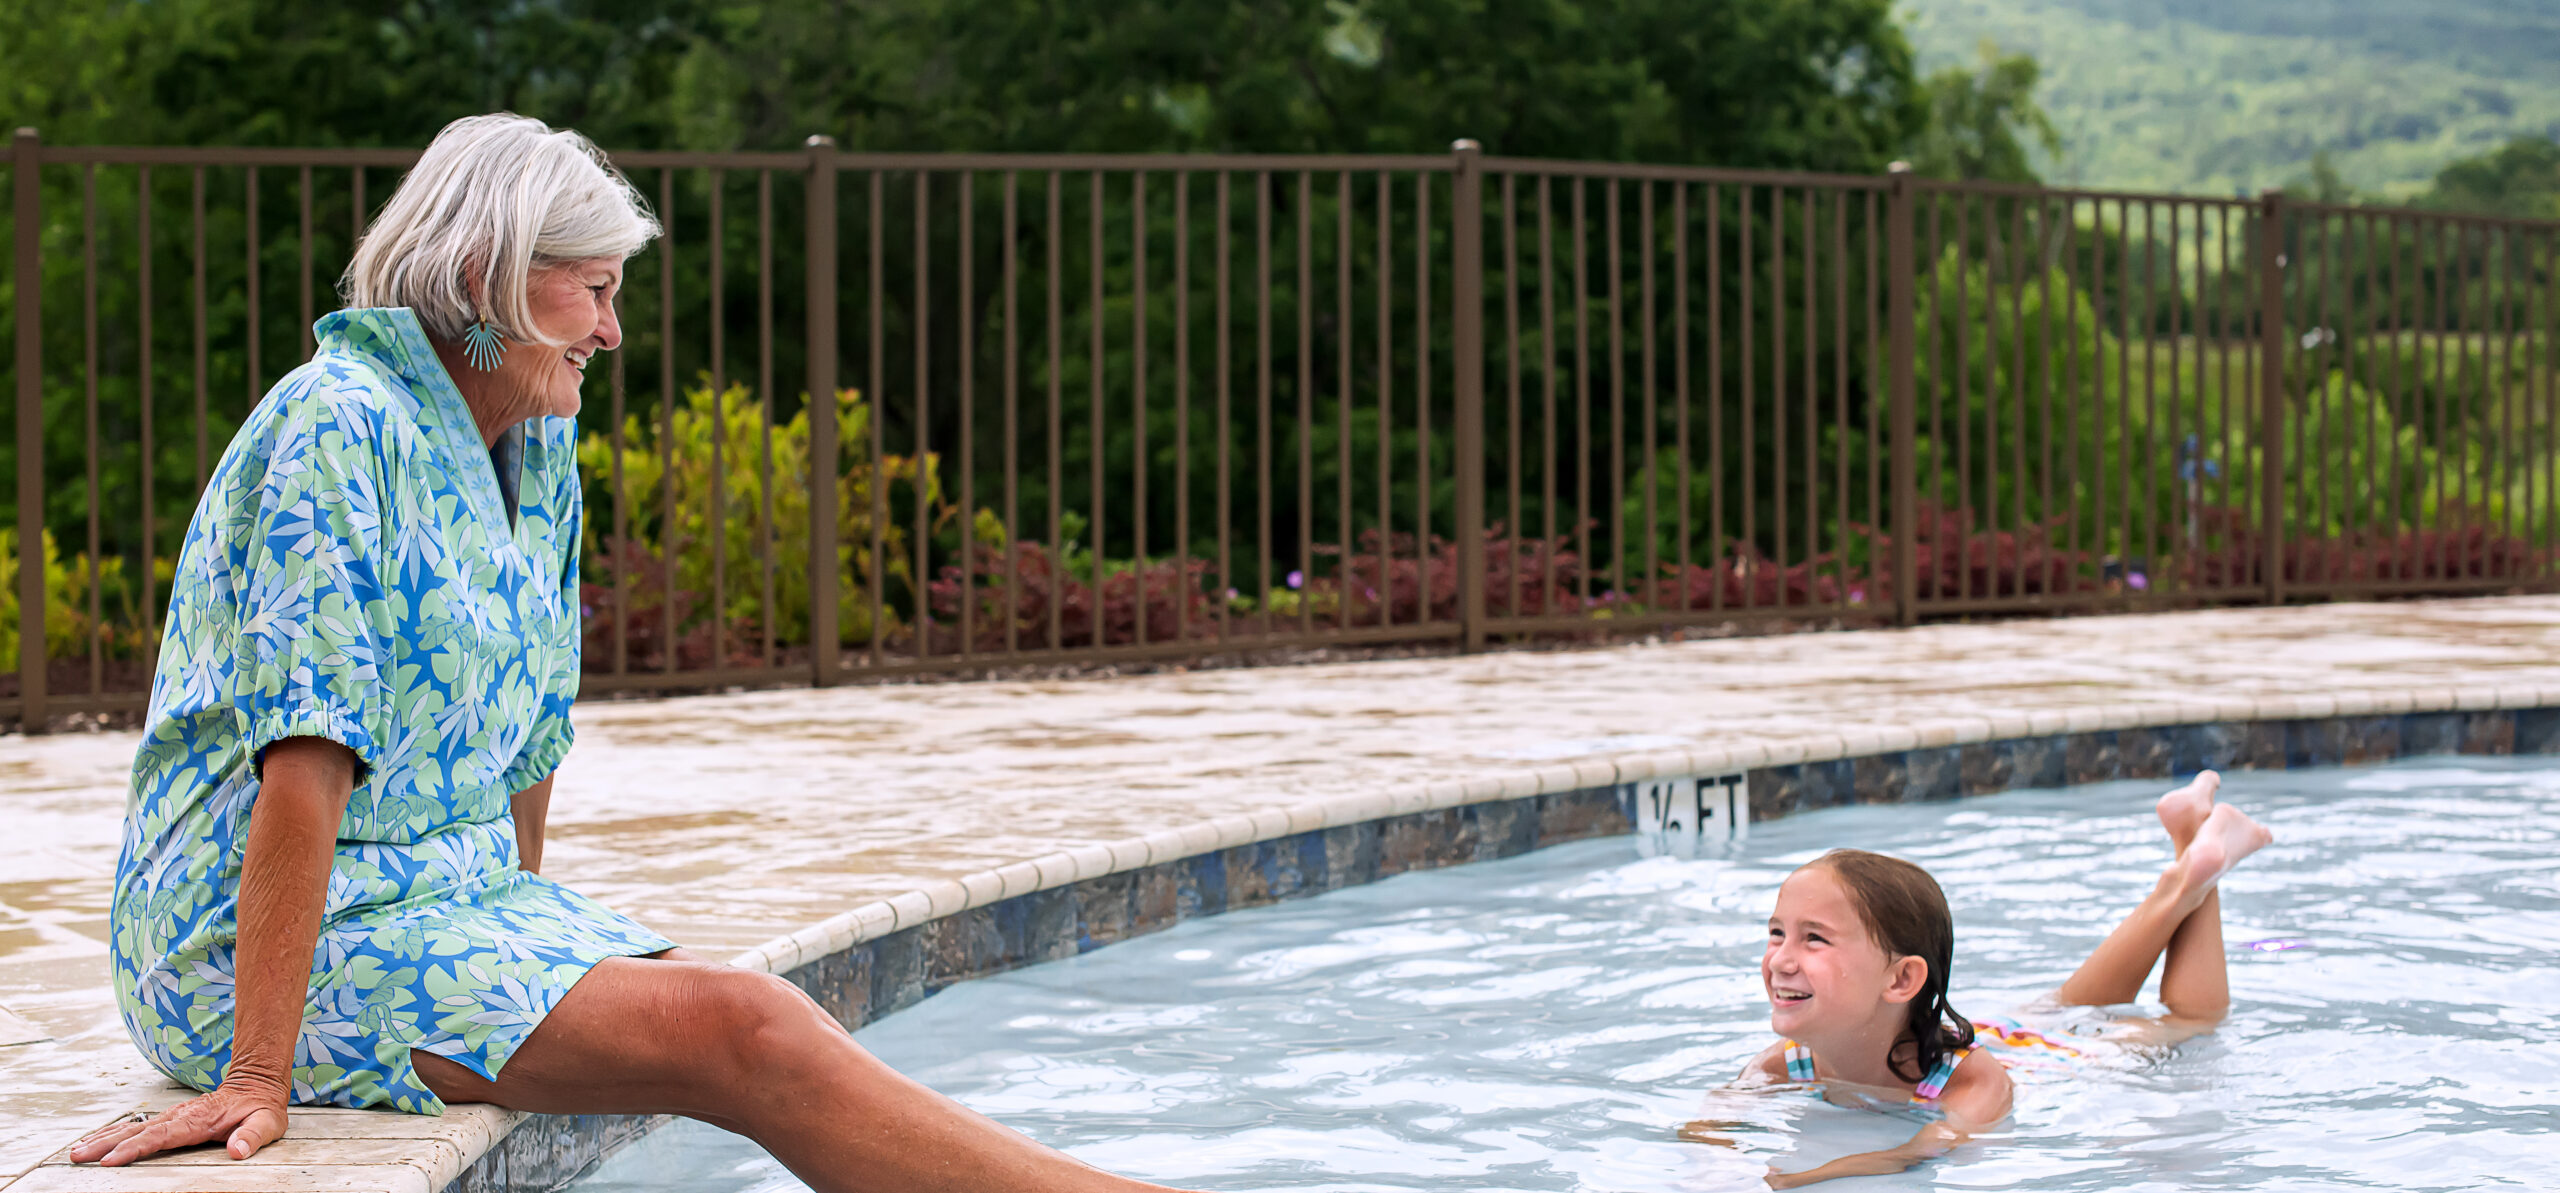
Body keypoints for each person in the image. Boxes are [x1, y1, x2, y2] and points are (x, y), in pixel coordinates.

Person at [72, 113, 1188, 1193]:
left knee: (748, 1008)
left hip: (440, 900)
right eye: (596, 291)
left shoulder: (536, 437)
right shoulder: (338, 423)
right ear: (483, 279)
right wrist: (256, 1073)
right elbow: (304, 756)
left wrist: (523, 932)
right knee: (742, 1030)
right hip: (245, 950)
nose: (612, 330)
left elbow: (532, 730)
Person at [1683, 770, 2273, 1188]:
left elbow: (1917, 1152)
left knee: (2193, 1019)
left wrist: (1807, 1178)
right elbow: (1709, 1123)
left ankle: (2199, 868)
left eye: (1814, 938)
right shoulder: (1785, 1062)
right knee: (2077, 997)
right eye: (1776, 932)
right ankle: (2192, 850)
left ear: (1902, 979)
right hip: (2005, 1029)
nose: (1781, 959)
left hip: (2067, 1057)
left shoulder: (1972, 1081)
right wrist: (1722, 1171)